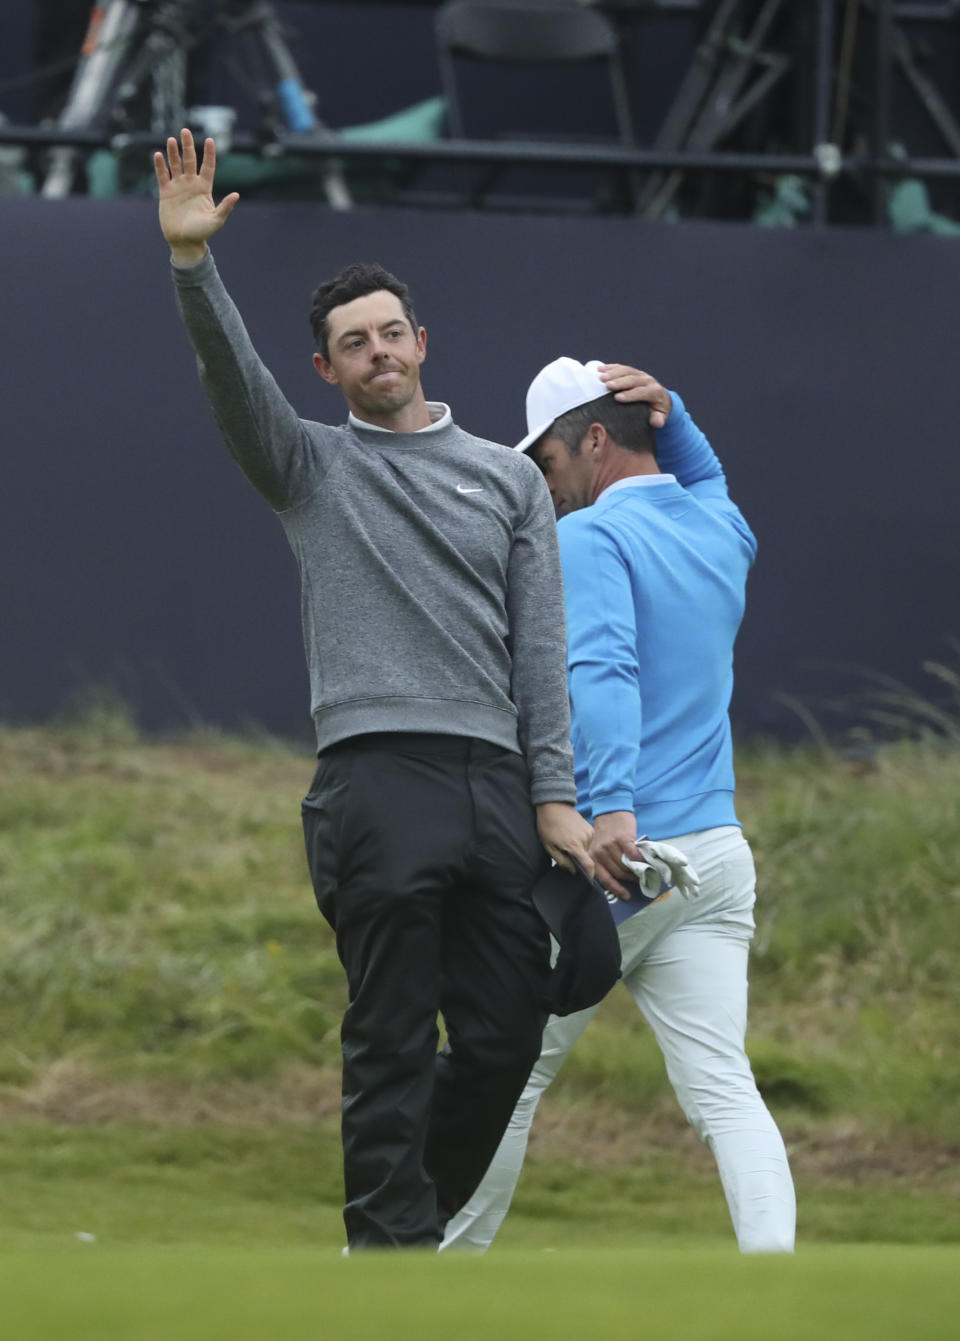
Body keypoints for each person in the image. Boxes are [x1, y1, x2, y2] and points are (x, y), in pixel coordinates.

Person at [153, 130, 593, 1251]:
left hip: (496, 787)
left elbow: (540, 653)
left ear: (421, 344)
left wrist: (555, 797)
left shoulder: (507, 479)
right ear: (328, 371)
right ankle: (388, 1263)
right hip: (374, 780)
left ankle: (400, 1232)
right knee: (391, 1034)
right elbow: (229, 382)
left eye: (391, 333)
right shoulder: (310, 467)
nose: (378, 353)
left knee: (501, 1038)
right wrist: (194, 268)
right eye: (354, 344)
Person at [441, 358, 796, 1254]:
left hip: (630, 854)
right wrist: (675, 415)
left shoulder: (591, 537)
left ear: (594, 440)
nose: (547, 483)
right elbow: (703, 472)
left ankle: (429, 1271)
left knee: (506, 1073)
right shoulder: (723, 524)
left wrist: (607, 809)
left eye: (550, 460)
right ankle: (777, 1279)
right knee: (724, 1087)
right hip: (716, 856)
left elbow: (602, 672)